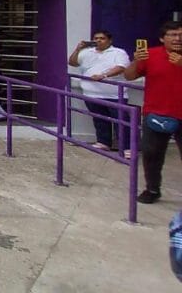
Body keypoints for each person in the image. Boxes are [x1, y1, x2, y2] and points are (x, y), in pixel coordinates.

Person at [124, 21, 182, 204]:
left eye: (180, 35)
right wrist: (136, 60)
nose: (178, 38)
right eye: (173, 35)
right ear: (162, 38)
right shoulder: (151, 55)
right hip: (156, 114)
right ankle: (152, 189)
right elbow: (129, 75)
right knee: (151, 154)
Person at [68, 30, 130, 151]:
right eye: (96, 38)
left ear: (109, 40)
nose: (98, 41)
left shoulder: (118, 52)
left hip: (114, 95)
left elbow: (121, 67)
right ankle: (103, 142)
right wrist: (77, 49)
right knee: (99, 119)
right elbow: (72, 62)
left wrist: (103, 75)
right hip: (91, 94)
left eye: (102, 38)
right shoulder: (87, 52)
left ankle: (127, 148)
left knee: (121, 122)